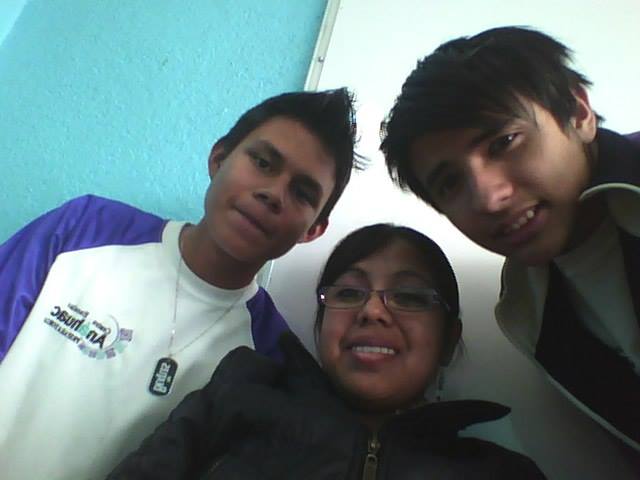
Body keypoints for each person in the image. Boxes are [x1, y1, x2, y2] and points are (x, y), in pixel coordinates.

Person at [0, 88, 359, 479]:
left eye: (302, 193)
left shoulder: (270, 361)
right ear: (218, 158)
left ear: (312, 230)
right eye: (262, 162)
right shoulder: (84, 228)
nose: (273, 194)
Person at [107, 223, 545, 479]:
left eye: (410, 297)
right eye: (349, 292)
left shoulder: (501, 473)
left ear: (449, 340)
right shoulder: (238, 397)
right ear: (321, 325)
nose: (372, 311)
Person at [380, 26, 640, 452]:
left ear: (578, 112)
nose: (489, 198)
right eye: (450, 183)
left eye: (504, 143)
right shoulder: (527, 307)